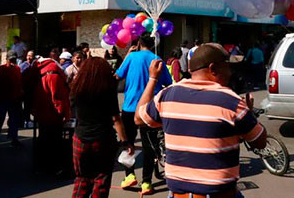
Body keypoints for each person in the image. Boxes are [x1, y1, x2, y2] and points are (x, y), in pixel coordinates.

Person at [135, 43, 267, 197]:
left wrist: (152, 79)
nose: (230, 73)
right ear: (212, 69)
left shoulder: (167, 95)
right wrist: (249, 113)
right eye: (227, 67)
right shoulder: (231, 101)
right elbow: (260, 141)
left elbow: (139, 118)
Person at [115, 35, 173, 194]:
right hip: (150, 109)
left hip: (130, 106)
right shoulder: (157, 59)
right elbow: (169, 84)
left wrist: (127, 54)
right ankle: (147, 182)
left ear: (139, 44)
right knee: (150, 145)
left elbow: (118, 75)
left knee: (128, 142)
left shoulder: (132, 56)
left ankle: (129, 175)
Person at [70, 56, 133, 198]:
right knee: (102, 178)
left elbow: (72, 111)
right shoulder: (106, 89)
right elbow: (116, 118)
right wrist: (125, 141)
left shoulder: (77, 88)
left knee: (82, 178)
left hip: (80, 137)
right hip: (103, 138)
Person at [29, 53, 71, 175]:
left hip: (41, 112)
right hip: (52, 114)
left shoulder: (41, 70)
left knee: (43, 138)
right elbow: (56, 97)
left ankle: (42, 166)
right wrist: (63, 113)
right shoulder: (53, 73)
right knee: (53, 141)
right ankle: (52, 167)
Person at [0, 51, 23, 149]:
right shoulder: (3, 69)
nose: (12, 62)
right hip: (3, 98)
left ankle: (14, 139)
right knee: (0, 120)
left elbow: (18, 84)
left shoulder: (16, 69)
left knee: (13, 120)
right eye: (11, 60)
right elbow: (1, 83)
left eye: (14, 60)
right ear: (7, 59)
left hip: (13, 98)